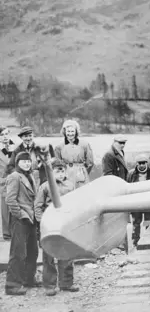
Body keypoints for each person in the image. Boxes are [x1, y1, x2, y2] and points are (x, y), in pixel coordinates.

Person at [34, 158, 78, 296]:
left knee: (67, 253)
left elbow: (75, 203)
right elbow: (38, 206)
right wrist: (43, 222)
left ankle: (66, 283)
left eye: (62, 170)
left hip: (65, 223)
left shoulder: (70, 185)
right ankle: (49, 285)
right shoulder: (45, 186)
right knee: (49, 256)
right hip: (50, 224)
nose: (60, 173)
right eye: (57, 171)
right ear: (51, 173)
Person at [4, 152, 40, 295]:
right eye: (23, 161)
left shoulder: (30, 175)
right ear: (17, 163)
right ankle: (12, 285)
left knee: (33, 251)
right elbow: (10, 200)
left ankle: (28, 279)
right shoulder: (14, 177)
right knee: (18, 252)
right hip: (20, 220)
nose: (27, 164)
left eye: (28, 161)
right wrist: (21, 215)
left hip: (31, 219)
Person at [127, 154, 150, 247]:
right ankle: (135, 242)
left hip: (149, 202)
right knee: (136, 223)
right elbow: (128, 189)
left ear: (147, 163)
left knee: (148, 222)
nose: (142, 165)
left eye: (144, 163)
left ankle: (148, 241)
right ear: (137, 164)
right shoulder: (130, 174)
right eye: (140, 163)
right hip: (136, 202)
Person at [54, 120, 94, 189]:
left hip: (81, 174)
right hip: (66, 174)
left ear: (76, 132)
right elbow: (57, 164)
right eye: (68, 131)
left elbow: (90, 162)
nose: (70, 134)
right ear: (65, 132)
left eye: (72, 131)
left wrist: (83, 172)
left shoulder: (84, 145)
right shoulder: (59, 147)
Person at [0, 126, 15, 240]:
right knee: (5, 206)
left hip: (15, 179)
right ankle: (6, 233)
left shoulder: (15, 148)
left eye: (6, 134)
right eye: (2, 135)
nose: (5, 137)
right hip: (3, 181)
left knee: (16, 205)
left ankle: (16, 230)